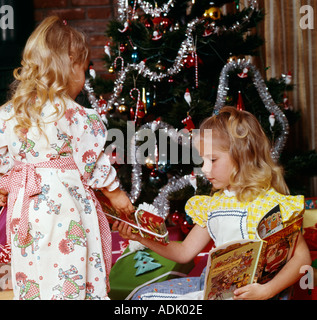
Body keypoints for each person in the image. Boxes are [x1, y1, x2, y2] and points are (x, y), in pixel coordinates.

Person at [114, 107, 311, 300]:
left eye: (213, 160)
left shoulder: (271, 204)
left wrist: (267, 291)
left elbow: (302, 259)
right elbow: (184, 253)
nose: (205, 170)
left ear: (242, 156)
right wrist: (141, 238)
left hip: (258, 292)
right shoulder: (214, 205)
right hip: (214, 288)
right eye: (202, 161)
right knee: (144, 297)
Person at [0, 16, 134, 300]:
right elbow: (94, 162)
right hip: (64, 206)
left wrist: (3, 185)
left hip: (25, 205)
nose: (84, 79)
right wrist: (117, 194)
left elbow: (2, 158)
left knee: (34, 266)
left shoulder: (9, 113)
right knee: (72, 262)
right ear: (68, 67)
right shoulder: (75, 115)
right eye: (83, 69)